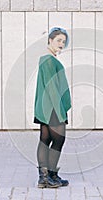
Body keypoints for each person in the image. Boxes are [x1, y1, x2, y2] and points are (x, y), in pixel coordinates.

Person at [33, 27, 71, 188]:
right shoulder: (49, 60)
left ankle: (46, 177)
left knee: (46, 140)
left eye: (63, 41)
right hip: (52, 107)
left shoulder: (47, 59)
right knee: (58, 139)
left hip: (46, 107)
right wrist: (60, 111)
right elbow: (51, 88)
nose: (61, 43)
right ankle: (49, 176)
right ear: (50, 40)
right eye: (58, 40)